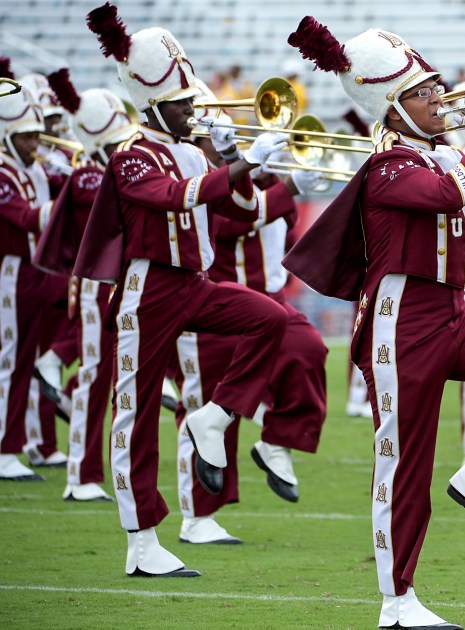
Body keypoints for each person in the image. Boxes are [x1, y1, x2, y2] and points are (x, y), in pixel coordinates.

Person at [283, 17, 465, 629]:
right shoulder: (387, 164)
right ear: (392, 105)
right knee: (403, 462)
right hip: (398, 322)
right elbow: (447, 192)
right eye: (424, 91)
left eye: (437, 86)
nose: (440, 98)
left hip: (452, 311)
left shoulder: (438, 154)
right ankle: (396, 601)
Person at [78, 4, 291, 576]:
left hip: (195, 284)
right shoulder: (130, 155)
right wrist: (237, 163)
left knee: (271, 319)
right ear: (152, 105)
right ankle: (141, 540)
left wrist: (242, 162)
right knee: (135, 412)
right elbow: (177, 198)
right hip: (148, 290)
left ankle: (216, 418)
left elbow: (239, 210)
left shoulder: (195, 149)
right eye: (181, 102)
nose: (192, 108)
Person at [171, 103, 329, 544]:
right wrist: (285, 186)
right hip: (215, 304)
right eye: (218, 142)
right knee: (210, 406)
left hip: (270, 298)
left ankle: (277, 441)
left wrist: (279, 181)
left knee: (309, 350)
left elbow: (284, 228)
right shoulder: (201, 181)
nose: (228, 148)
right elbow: (228, 223)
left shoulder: (264, 178)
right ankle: (198, 517)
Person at [34, 68, 141, 501]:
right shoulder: (88, 177)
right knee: (95, 376)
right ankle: (80, 473)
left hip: (116, 284)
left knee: (111, 379)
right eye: (115, 141)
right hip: (97, 288)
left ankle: (95, 469)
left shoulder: (101, 170)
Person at [0, 71, 57, 482]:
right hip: (10, 271)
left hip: (35, 270)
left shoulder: (34, 169)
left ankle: (18, 444)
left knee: (25, 361)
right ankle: (5, 448)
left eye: (36, 136)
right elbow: (24, 217)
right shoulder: (2, 173)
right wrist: (72, 196)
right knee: (10, 361)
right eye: (25, 137)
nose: (35, 144)